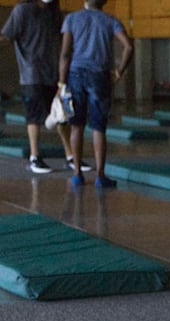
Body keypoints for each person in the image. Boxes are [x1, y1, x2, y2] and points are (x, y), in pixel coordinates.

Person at [0, 0, 81, 174]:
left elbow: (62, 40)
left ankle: (71, 156)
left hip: (54, 73)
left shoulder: (54, 13)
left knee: (63, 114)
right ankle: (35, 157)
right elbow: (8, 36)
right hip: (31, 73)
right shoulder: (22, 10)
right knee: (34, 116)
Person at [58, 0, 132, 188]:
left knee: (76, 126)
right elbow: (128, 46)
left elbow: (65, 54)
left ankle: (77, 174)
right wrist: (119, 71)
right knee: (99, 127)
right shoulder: (111, 20)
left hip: (75, 75)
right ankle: (100, 175)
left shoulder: (71, 19)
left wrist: (61, 83)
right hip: (100, 76)